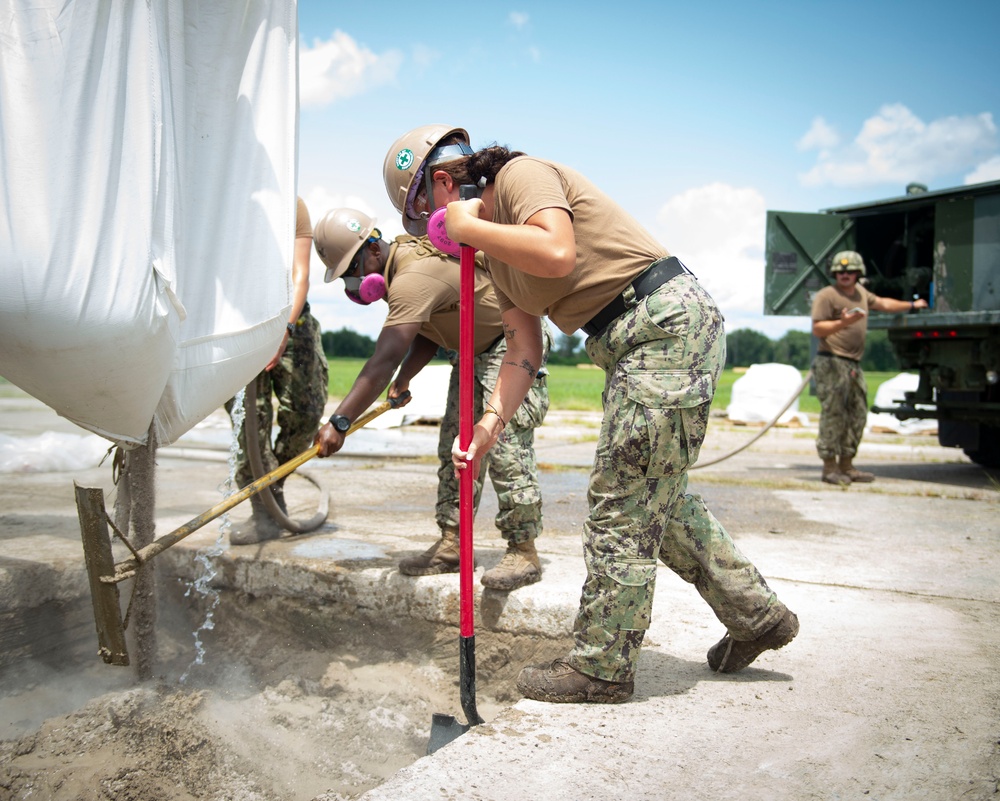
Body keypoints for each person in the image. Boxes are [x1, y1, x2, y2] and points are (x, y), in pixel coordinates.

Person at [384, 124, 799, 704]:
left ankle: (602, 667)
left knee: (619, 504)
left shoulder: (517, 179)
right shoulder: (498, 259)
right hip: (636, 341)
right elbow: (524, 352)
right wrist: (484, 428)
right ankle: (757, 614)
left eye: (425, 217)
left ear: (446, 186)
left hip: (662, 325)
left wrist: (468, 225)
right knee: (658, 497)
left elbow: (558, 252)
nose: (432, 237)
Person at [311, 203, 552, 591]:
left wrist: (340, 422)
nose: (353, 287)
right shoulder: (402, 266)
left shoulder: (410, 278)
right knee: (455, 448)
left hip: (509, 347)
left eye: (352, 272)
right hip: (468, 349)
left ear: (374, 248)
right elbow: (426, 331)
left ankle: (523, 551)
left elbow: (383, 357)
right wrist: (405, 378)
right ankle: (454, 543)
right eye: (344, 280)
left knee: (504, 448)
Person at [228, 196, 329, 545]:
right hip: (236, 326)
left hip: (292, 320)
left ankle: (274, 485)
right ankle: (264, 513)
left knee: (307, 412)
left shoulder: (290, 201)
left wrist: (284, 330)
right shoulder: (220, 194)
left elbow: (300, 272)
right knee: (249, 426)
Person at [810, 250, 928, 485]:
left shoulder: (861, 293)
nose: (845, 275)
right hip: (831, 361)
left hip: (853, 364)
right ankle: (829, 467)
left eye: (850, 271)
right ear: (835, 273)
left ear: (858, 273)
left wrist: (912, 305)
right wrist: (842, 323)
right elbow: (818, 329)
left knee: (857, 413)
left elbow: (883, 303)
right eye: (841, 271)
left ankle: (847, 464)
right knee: (834, 413)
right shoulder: (827, 296)